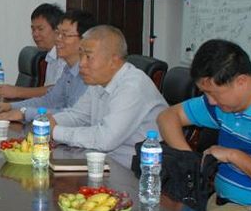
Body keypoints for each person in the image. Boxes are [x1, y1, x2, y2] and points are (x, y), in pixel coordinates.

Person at [157, 39, 251, 211]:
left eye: (213, 93)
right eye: (205, 93)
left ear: (241, 81)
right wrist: (189, 160)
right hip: (217, 201)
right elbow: (167, 117)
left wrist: (234, 156)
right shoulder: (224, 104)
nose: (210, 101)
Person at [48, 25, 168, 168]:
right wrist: (50, 122)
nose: (82, 64)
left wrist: (56, 131)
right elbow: (79, 115)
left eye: (88, 57)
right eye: (81, 56)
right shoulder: (98, 80)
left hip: (136, 172)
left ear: (113, 61)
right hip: (104, 163)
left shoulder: (133, 86)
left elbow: (105, 139)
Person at [0, 9, 95, 123]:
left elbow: (74, 116)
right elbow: (49, 101)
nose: (58, 39)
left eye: (65, 35)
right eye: (58, 33)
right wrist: (12, 107)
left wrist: (25, 113)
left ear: (84, 40)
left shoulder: (90, 75)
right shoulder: (68, 70)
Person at [0, 2, 65, 100]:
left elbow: (57, 90)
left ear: (57, 30)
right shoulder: (50, 55)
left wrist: (16, 92)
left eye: (40, 29)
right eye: (33, 29)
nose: (35, 34)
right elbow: (46, 97)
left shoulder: (65, 57)